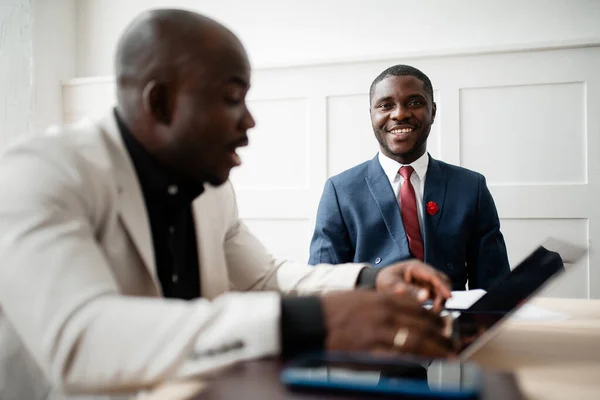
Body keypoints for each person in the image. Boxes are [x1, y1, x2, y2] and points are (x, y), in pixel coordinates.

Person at [0, 10, 455, 397]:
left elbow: (263, 278)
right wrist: (310, 322)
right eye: (232, 98)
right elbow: (82, 338)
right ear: (160, 102)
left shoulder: (212, 185)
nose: (250, 120)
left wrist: (370, 279)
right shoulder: (40, 173)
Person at [309, 64, 510, 290]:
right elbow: (322, 284)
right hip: (374, 320)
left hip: (449, 320)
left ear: (433, 111)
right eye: (386, 105)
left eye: (414, 103)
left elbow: (495, 285)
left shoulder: (471, 187)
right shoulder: (340, 191)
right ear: (371, 115)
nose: (400, 114)